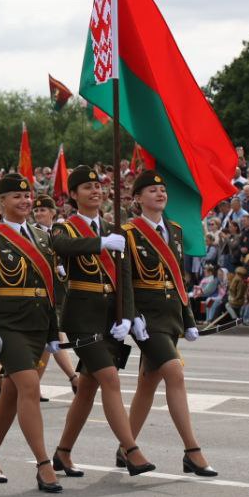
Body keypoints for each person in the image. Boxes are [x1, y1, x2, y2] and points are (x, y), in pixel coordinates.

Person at [49, 165, 156, 477]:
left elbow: (125, 279)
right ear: (73, 195)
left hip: (110, 318)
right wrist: (99, 244)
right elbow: (60, 247)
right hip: (82, 316)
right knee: (110, 378)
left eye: (98, 187)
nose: (95, 192)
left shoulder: (114, 229)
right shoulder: (65, 228)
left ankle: (63, 452)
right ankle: (130, 450)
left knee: (87, 388)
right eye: (86, 188)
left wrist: (128, 317)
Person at [0, 173, 63, 492]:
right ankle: (44, 463)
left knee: (11, 393)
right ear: (2, 203)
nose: (24, 201)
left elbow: (47, 288)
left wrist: (53, 331)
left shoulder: (41, 237)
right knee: (29, 387)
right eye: (16, 197)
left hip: (36, 326)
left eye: (27, 196)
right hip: (8, 327)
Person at [121, 171, 216, 477]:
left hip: (171, 314)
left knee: (148, 384)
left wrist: (188, 318)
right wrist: (130, 316)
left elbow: (178, 280)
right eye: (152, 190)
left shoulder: (173, 231)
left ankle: (126, 447)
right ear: (137, 198)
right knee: (175, 372)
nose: (160, 194)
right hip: (146, 319)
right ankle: (192, 451)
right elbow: (125, 280)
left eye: (162, 189)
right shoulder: (127, 233)